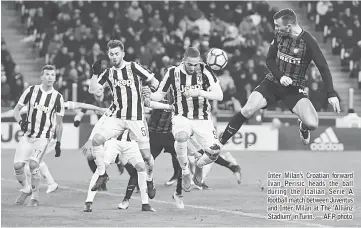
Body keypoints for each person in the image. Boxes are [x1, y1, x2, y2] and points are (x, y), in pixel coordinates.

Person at [211, 8, 341, 155]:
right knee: (247, 109)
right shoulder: (279, 35)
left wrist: (331, 93)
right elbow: (269, 59)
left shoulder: (309, 42)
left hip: (294, 89)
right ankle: (219, 144)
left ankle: (302, 126)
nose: (276, 29)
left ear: (289, 26)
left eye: (278, 26)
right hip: (272, 83)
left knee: (313, 124)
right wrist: (280, 76)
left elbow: (323, 67)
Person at [88, 40, 159, 197]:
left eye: (117, 54)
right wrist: (94, 74)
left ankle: (150, 178)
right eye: (111, 54)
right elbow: (93, 90)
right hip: (118, 117)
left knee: (147, 156)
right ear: (108, 55)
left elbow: (155, 82)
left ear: (123, 54)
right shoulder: (108, 73)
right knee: (96, 141)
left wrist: (149, 91)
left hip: (136, 118)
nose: (114, 57)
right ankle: (102, 174)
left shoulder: (133, 67)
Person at [150, 47, 223, 192]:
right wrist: (147, 94)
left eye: (196, 64)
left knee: (214, 153)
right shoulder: (172, 72)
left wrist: (199, 92)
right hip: (181, 116)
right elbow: (159, 95)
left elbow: (219, 95)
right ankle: (185, 171)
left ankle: (199, 165)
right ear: (183, 61)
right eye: (190, 64)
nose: (193, 67)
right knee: (181, 137)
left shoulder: (205, 70)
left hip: (203, 118)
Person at [19, 100, 108, 194]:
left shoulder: (56, 104)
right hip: (42, 138)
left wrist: (99, 108)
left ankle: (41, 185)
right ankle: (42, 185)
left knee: (33, 160)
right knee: (31, 160)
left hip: (49, 138)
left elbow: (81, 105)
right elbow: (17, 111)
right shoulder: (34, 106)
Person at [12, 65, 65, 206]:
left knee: (34, 165)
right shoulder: (31, 91)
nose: (50, 77)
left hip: (43, 138)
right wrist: (20, 122)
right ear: (41, 76)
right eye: (47, 74)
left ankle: (35, 197)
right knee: (17, 166)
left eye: (52, 75)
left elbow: (59, 123)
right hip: (27, 137)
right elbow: (16, 110)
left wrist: (58, 143)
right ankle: (26, 189)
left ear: (55, 78)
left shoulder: (58, 98)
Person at [83, 130, 156, 212]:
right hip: (113, 143)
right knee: (101, 168)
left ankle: (145, 203)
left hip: (131, 144)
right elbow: (102, 123)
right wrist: (90, 140)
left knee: (141, 168)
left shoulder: (139, 118)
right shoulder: (113, 117)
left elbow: (143, 129)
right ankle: (88, 202)